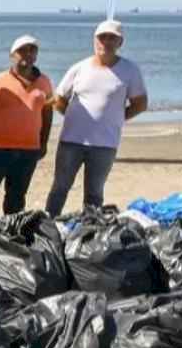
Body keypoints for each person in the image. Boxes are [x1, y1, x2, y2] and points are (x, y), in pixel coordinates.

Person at [45, 20, 149, 217]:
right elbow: (58, 99)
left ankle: (89, 231)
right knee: (60, 188)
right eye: (102, 37)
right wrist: (75, 117)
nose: (106, 42)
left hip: (105, 144)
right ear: (95, 41)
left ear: (120, 42)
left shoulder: (129, 70)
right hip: (71, 142)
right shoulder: (80, 68)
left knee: (94, 194)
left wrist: (117, 118)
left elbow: (140, 103)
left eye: (112, 38)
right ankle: (49, 224)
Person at [0, 35, 54, 215]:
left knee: (16, 199)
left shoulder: (44, 82)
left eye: (32, 50)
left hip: (28, 151)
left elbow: (47, 114)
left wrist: (43, 143)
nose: (27, 54)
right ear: (12, 55)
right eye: (22, 51)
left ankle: (10, 235)